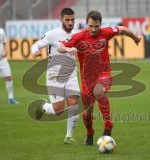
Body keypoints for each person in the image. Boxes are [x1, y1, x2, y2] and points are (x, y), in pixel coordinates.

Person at [58, 10, 141, 145]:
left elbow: (123, 29)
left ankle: (108, 124)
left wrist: (136, 38)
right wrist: (68, 49)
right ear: (86, 24)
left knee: (99, 90)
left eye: (97, 26)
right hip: (86, 80)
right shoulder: (78, 37)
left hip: (104, 75)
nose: (94, 29)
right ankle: (90, 132)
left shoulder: (106, 32)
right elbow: (60, 47)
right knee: (88, 112)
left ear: (100, 24)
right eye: (91, 26)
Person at [31, 8, 80, 144]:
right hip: (54, 75)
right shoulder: (52, 34)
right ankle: (43, 107)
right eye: (67, 20)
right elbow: (36, 45)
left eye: (72, 20)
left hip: (71, 75)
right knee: (58, 110)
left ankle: (69, 137)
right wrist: (35, 52)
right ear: (61, 20)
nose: (70, 22)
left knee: (74, 105)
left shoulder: (77, 35)